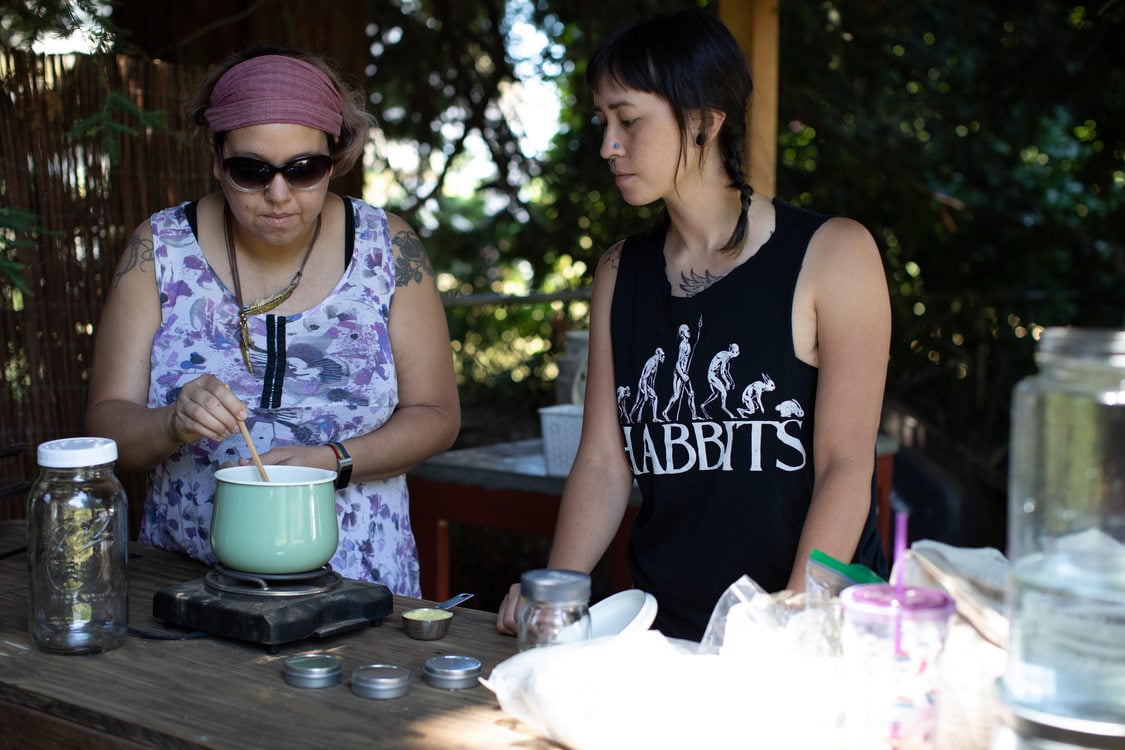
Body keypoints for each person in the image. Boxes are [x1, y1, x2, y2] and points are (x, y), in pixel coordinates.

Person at [498, 9, 890, 640]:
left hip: (813, 627)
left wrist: (792, 616)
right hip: (664, 630)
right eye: (604, 122)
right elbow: (603, 461)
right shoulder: (620, 272)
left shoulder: (833, 254)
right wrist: (558, 591)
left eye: (629, 120)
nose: (608, 145)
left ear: (706, 120)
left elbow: (845, 464)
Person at [85, 46, 460, 596]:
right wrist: (171, 423)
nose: (279, 195)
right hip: (188, 579)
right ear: (216, 160)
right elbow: (105, 426)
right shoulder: (160, 247)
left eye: (305, 169)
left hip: (358, 582)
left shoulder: (387, 248)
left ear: (335, 157)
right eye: (250, 170)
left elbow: (437, 415)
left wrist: (331, 462)